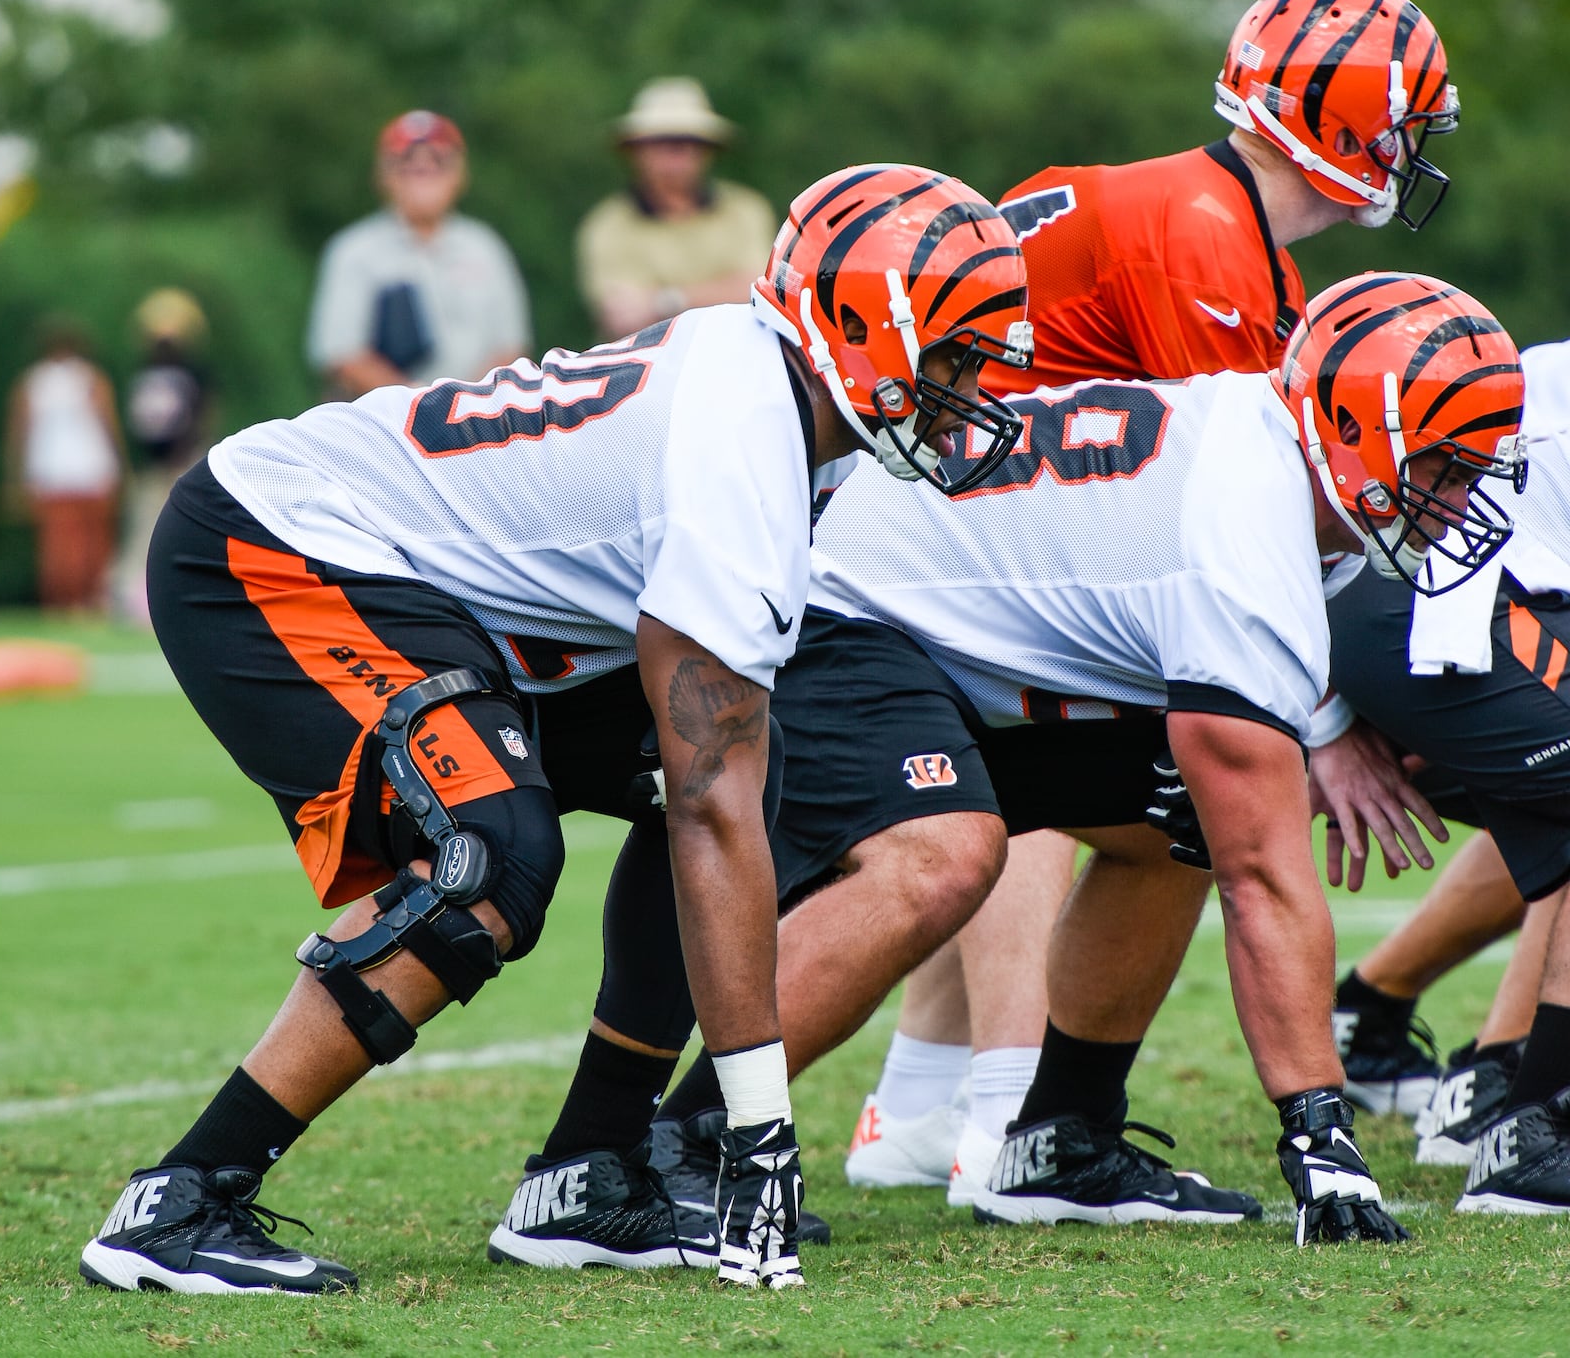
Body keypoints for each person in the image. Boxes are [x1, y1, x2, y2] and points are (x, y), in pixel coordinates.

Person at [76, 163, 1035, 1295]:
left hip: (441, 597)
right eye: (954, 354)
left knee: (730, 777)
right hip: (279, 546)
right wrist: (761, 1129)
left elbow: (716, 791)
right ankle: (183, 1199)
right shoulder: (741, 440)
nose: (967, 387)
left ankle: (590, 1175)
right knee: (492, 856)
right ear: (870, 327)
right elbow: (710, 814)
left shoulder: (766, 395)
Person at [649, 271, 1526, 1244]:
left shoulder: (1276, 458)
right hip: (838, 611)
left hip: (949, 638)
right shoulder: (1243, 526)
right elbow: (1264, 879)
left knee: (1174, 817)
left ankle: (1059, 1138)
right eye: (1444, 466)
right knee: (946, 852)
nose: (1459, 499)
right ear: (1359, 429)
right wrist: (1322, 1142)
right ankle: (694, 1142)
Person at [843, 0, 1467, 1199]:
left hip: (940, 516)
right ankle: (1003, 1118)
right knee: (1056, 776)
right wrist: (1329, 727)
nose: (1407, 153)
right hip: (936, 548)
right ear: (1342, 124)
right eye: (1402, 123)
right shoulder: (1206, 240)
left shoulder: (1193, 206)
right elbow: (1253, 532)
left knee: (1094, 781)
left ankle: (921, 1104)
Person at [1306, 334, 1570, 1204]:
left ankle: (1495, 1090)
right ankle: (1528, 1123)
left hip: (1444, 590)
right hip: (1422, 586)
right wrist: (1323, 718)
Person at [306, 110, 532, 400]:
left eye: (438, 161)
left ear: (460, 175)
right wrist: (419, 405)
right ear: (383, 175)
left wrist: (468, 404)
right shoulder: (354, 251)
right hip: (383, 424)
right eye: (406, 162)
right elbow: (341, 355)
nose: (423, 170)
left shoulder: (485, 247)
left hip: (478, 422)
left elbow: (511, 347)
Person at [576, 77, 777, 342]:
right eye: (662, 141)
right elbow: (622, 316)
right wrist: (723, 291)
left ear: (706, 150)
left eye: (687, 141)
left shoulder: (746, 210)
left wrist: (664, 300)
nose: (676, 151)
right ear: (638, 151)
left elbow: (762, 291)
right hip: (645, 374)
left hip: (740, 360)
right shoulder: (607, 225)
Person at [3, 316, 125, 613]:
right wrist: (122, 467)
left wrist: (15, 477)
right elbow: (109, 425)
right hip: (92, 469)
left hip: (49, 473)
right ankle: (90, 601)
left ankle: (60, 604)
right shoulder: (91, 379)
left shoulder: (32, 383)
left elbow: (19, 434)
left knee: (56, 544)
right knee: (93, 543)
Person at [114, 288, 216, 625]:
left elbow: (200, 415)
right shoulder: (144, 374)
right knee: (143, 530)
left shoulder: (193, 374)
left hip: (181, 462)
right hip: (154, 465)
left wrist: (185, 454)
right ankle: (133, 598)